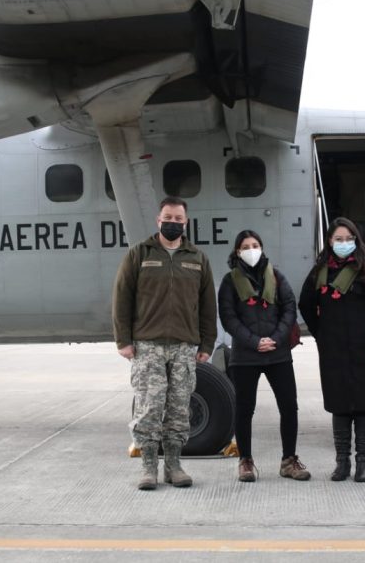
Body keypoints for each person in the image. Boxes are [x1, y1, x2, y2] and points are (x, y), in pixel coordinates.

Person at [112, 197, 217, 491]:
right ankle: (148, 467)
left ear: (185, 222)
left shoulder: (197, 258)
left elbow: (208, 305)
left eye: (178, 218)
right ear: (159, 220)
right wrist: (124, 340)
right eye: (168, 217)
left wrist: (206, 343)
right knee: (149, 407)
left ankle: (174, 465)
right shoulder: (139, 254)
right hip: (148, 345)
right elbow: (122, 298)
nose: (173, 222)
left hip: (184, 346)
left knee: (179, 408)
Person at [299, 217, 365, 483]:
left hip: (364, 349)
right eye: (338, 239)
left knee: (363, 406)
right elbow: (306, 304)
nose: (343, 244)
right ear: (329, 242)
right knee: (339, 407)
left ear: (356, 241)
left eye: (349, 239)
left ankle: (364, 461)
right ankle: (342, 462)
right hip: (334, 349)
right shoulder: (319, 272)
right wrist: (321, 333)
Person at [218, 230, 310, 482]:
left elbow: (289, 308)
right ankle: (245, 461)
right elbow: (229, 318)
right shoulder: (229, 282)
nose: (251, 249)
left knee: (289, 406)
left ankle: (289, 460)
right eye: (246, 246)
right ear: (238, 252)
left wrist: (276, 339)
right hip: (245, 356)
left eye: (255, 244)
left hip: (277, 354)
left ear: (262, 247)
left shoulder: (277, 277)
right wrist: (254, 342)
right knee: (244, 409)